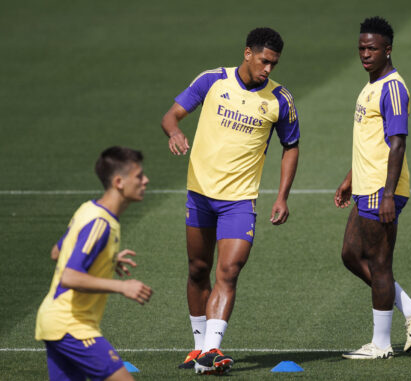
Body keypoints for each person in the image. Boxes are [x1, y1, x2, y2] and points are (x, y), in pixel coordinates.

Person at [161, 27, 299, 374]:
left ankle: (212, 350)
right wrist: (175, 131)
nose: (268, 69)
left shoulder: (279, 100)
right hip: (200, 195)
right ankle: (198, 349)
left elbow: (291, 146)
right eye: (265, 61)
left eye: (274, 64)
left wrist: (282, 196)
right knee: (198, 269)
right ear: (248, 53)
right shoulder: (213, 81)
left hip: (239, 201)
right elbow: (171, 115)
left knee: (229, 270)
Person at [335, 16, 411, 360]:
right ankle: (410, 308)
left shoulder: (392, 87)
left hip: (382, 189)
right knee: (350, 254)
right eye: (361, 47)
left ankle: (380, 344)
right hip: (366, 186)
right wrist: (350, 178)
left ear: (387, 50)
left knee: (379, 264)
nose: (365, 53)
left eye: (372, 48)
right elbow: (369, 141)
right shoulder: (371, 85)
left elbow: (397, 143)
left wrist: (388, 193)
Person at [35, 146, 153, 381]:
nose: (145, 180)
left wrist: (107, 258)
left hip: (55, 323)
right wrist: (122, 286)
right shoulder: (101, 223)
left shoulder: (88, 209)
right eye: (139, 176)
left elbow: (57, 252)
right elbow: (68, 276)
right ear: (119, 181)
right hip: (71, 326)